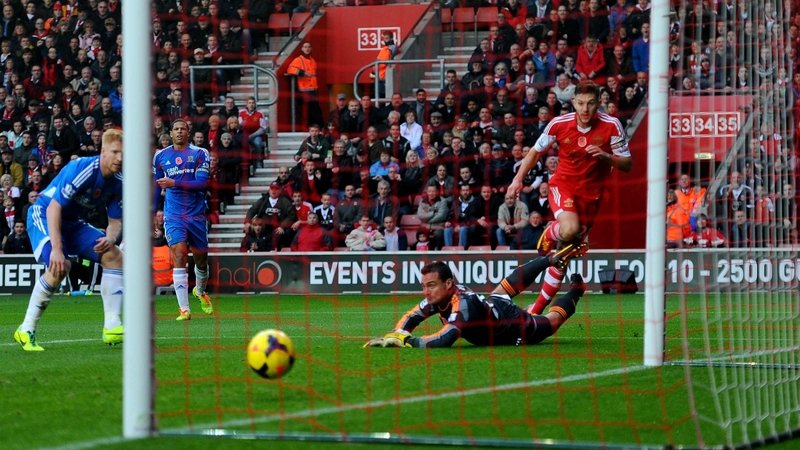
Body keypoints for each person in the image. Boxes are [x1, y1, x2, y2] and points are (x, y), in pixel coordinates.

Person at [508, 81, 632, 315]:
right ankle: (550, 231)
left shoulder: (612, 125)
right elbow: (535, 152)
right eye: (581, 103)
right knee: (569, 228)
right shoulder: (559, 124)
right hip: (563, 186)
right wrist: (517, 180)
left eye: (591, 104)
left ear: (599, 103)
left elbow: (627, 164)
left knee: (564, 255)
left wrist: (606, 156)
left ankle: (536, 310)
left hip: (592, 197)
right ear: (573, 102)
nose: (585, 109)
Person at [14, 129, 125, 351]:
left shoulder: (119, 180)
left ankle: (112, 326)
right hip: (44, 213)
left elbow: (115, 221)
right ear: (103, 152)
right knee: (60, 265)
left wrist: (111, 239)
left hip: (73, 222)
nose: (120, 158)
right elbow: (54, 207)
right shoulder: (84, 168)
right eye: (115, 152)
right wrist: (57, 248)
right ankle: (26, 329)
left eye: (123, 153)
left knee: (114, 256)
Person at [363, 245, 586, 348]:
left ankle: (577, 289)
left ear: (449, 284)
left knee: (553, 321)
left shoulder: (462, 305)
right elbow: (412, 316)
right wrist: (394, 334)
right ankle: (548, 260)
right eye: (424, 286)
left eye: (431, 285)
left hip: (512, 327)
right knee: (502, 291)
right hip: (493, 304)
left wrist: (408, 342)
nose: (426, 291)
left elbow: (445, 338)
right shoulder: (437, 298)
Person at [152, 119, 214, 321]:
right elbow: (156, 186)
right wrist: (154, 212)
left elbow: (202, 184)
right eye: (176, 129)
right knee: (179, 253)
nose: (179, 132)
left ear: (188, 132)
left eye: (183, 129)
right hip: (174, 215)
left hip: (196, 214)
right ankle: (184, 309)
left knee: (201, 261)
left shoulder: (200, 153)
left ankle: (200, 291)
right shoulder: (160, 156)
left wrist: (175, 182)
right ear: (170, 133)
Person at [286, 42, 324, 129]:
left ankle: (313, 129)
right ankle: (320, 128)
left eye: (309, 47)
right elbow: (290, 69)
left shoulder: (312, 60)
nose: (307, 49)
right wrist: (302, 73)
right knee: (315, 112)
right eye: (305, 47)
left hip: (313, 90)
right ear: (302, 49)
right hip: (305, 91)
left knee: (312, 112)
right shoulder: (299, 59)